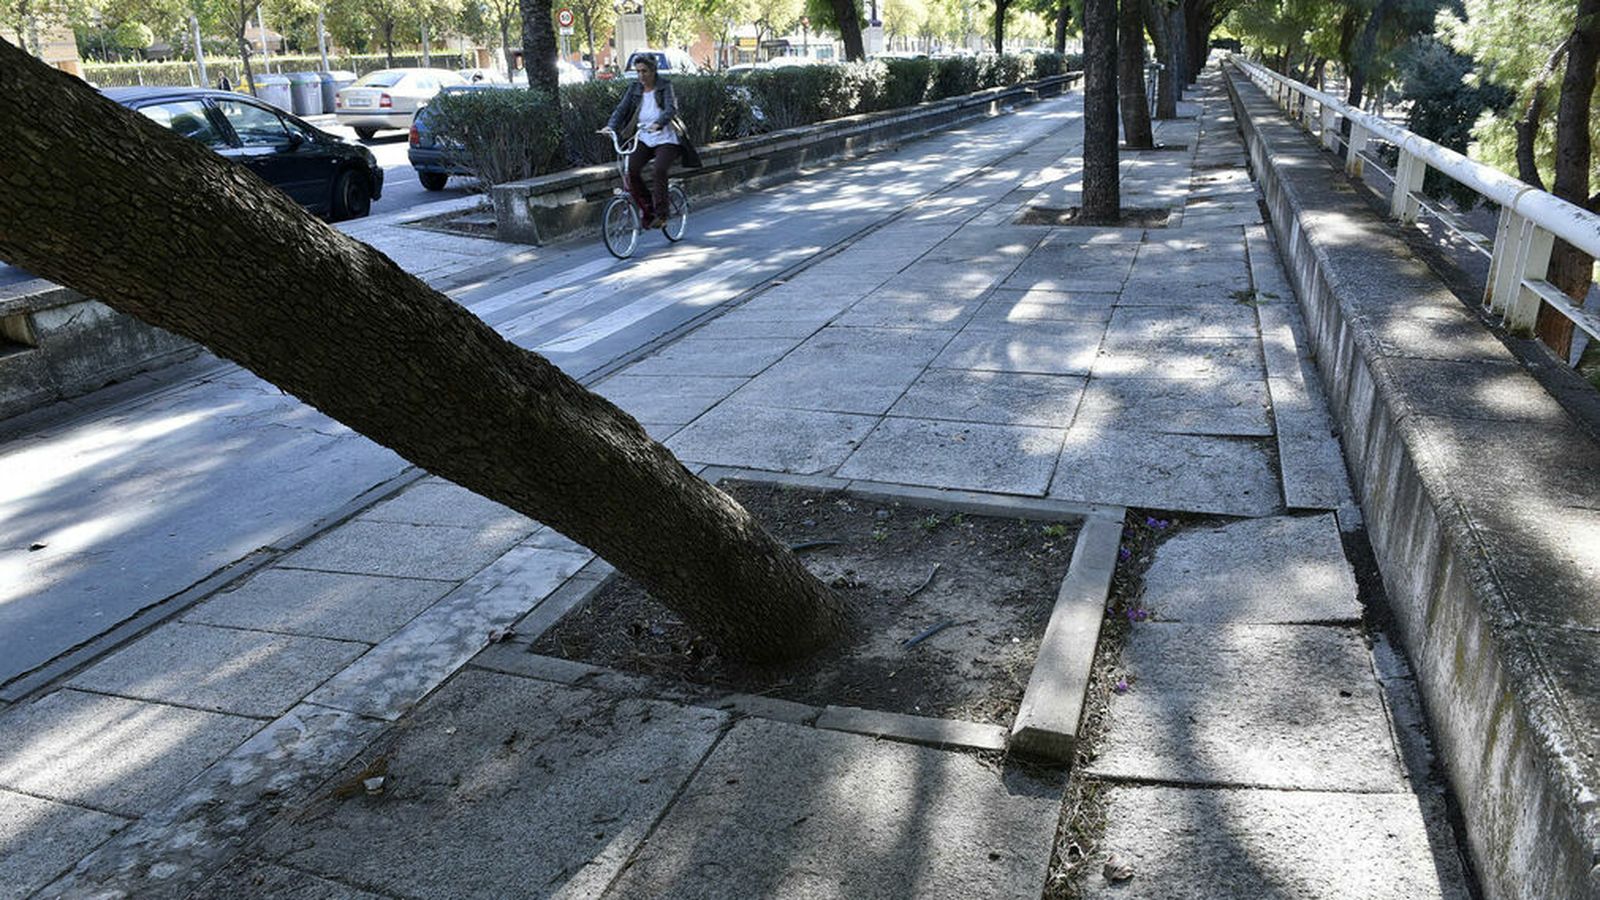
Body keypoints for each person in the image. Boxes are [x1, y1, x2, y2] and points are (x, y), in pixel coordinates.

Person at [599, 53, 702, 230]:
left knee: (658, 170)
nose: (641, 75)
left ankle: (662, 214)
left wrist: (658, 124)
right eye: (638, 71)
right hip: (643, 137)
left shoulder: (665, 86)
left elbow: (671, 109)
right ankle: (648, 209)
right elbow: (621, 110)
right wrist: (610, 127)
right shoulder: (634, 89)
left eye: (644, 71)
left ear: (653, 71)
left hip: (666, 138)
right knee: (631, 170)